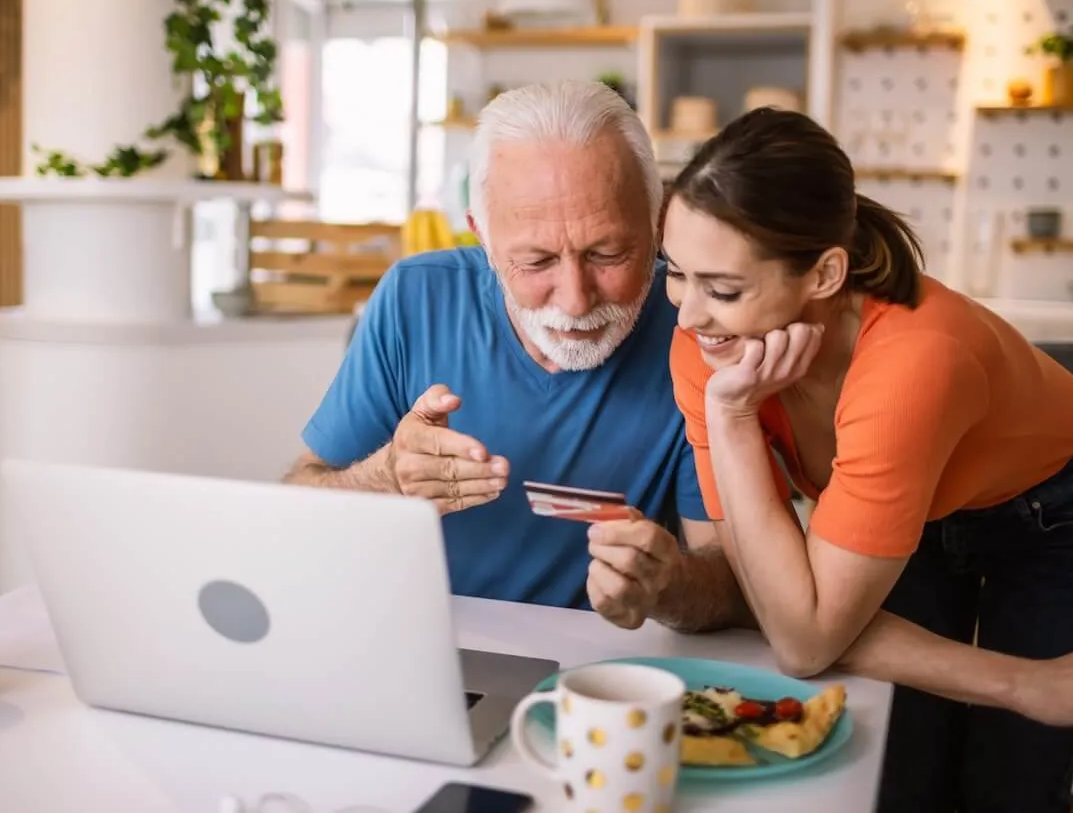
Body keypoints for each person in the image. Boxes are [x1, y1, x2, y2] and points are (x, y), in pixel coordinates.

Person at [662, 106, 1073, 812]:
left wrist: (805, 608)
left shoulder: (914, 361)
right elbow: (794, 627)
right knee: (894, 773)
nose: (687, 315)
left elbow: (799, 627)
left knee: (1007, 788)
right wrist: (732, 412)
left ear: (825, 272)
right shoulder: (708, 351)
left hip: (1052, 513)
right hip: (920, 516)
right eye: (676, 273)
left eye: (723, 289)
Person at [284, 80, 744, 631]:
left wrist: (670, 587)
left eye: (608, 253)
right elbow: (298, 508)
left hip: (599, 667)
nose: (575, 299)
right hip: (422, 644)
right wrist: (384, 477)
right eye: (536, 261)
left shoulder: (700, 331)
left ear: (657, 224)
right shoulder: (415, 297)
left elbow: (734, 583)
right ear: (482, 237)